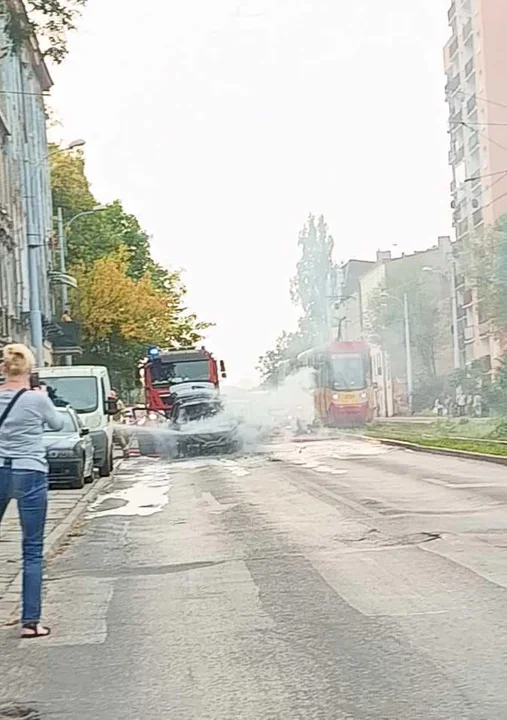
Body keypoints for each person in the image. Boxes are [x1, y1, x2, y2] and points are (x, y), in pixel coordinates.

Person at [0, 343, 63, 638]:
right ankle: (30, 622)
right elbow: (58, 423)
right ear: (29, 370)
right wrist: (44, 398)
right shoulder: (36, 400)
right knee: (32, 549)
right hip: (31, 471)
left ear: (4, 368)